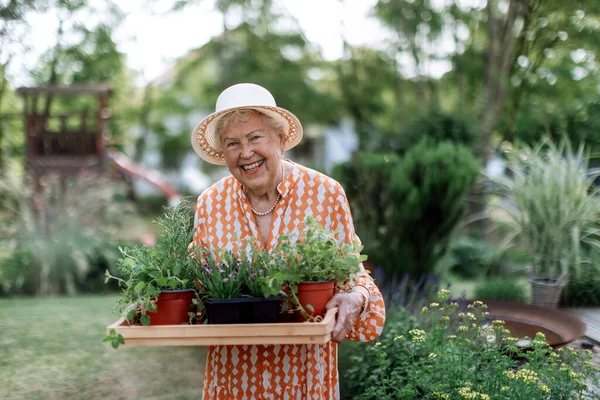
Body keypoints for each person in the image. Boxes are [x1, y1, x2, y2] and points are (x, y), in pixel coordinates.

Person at [190, 83, 385, 399]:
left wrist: (357, 296)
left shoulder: (325, 194)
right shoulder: (210, 203)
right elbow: (199, 285)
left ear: (280, 139)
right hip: (234, 378)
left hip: (305, 376)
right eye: (232, 143)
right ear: (222, 153)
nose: (246, 152)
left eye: (255, 137)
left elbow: (354, 276)